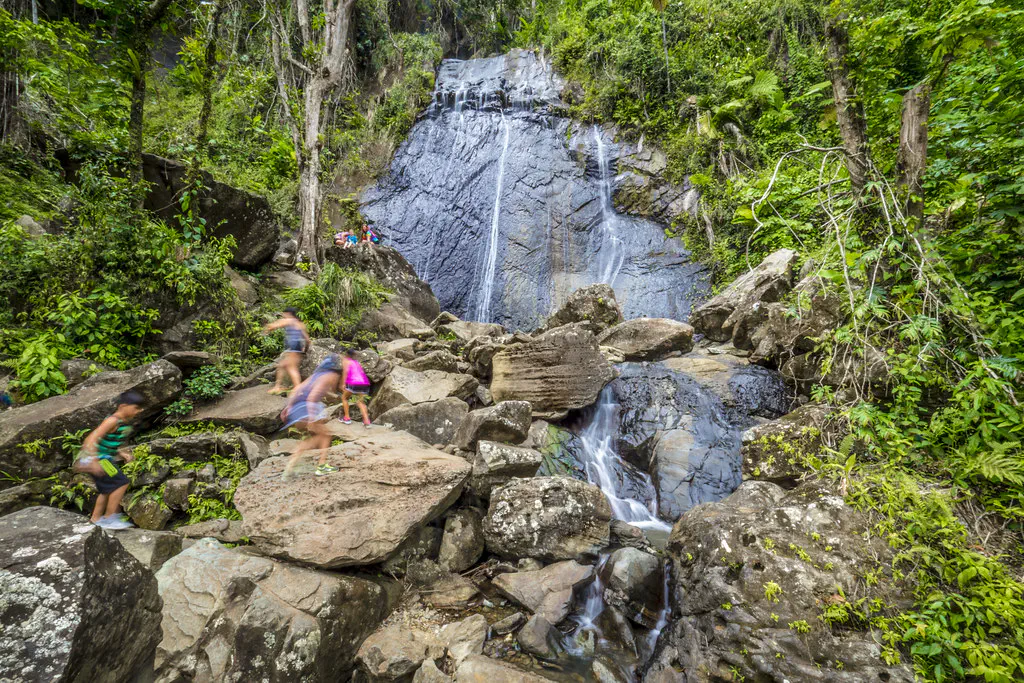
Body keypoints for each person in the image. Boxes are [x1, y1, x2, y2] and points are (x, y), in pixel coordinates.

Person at [74, 391, 142, 529]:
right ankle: (110, 517)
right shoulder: (113, 420)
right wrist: (93, 461)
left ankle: (95, 519)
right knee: (121, 483)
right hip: (99, 459)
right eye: (136, 407)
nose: (139, 411)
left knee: (106, 489)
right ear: (123, 406)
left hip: (103, 458)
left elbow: (108, 441)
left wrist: (122, 453)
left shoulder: (123, 423)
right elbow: (91, 438)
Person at [281, 354, 345, 478]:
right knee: (326, 435)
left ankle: (293, 463)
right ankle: (321, 466)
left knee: (320, 436)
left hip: (296, 409)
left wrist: (287, 408)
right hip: (307, 408)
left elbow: (297, 389)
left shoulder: (316, 376)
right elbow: (312, 397)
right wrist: (311, 417)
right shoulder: (330, 376)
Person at [262, 308, 309, 395]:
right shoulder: (300, 324)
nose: (283, 315)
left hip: (293, 348)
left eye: (284, 313)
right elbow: (307, 339)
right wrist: (305, 350)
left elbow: (274, 325)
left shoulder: (289, 320)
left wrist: (267, 329)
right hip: (297, 348)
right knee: (282, 365)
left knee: (291, 368)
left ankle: (298, 388)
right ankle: (278, 386)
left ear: (288, 313)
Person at [340, 350, 372, 427]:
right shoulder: (357, 362)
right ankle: (366, 421)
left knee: (344, 398)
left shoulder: (346, 361)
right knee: (360, 402)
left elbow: (346, 372)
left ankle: (347, 418)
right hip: (364, 383)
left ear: (347, 354)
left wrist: (343, 383)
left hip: (353, 382)